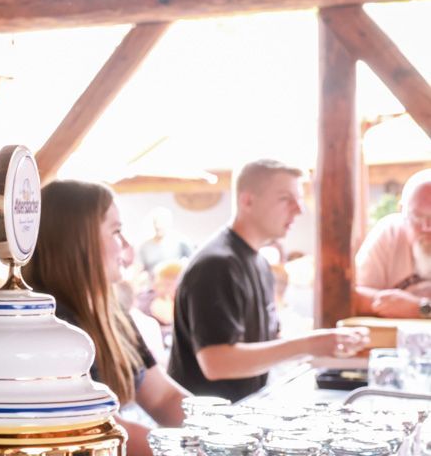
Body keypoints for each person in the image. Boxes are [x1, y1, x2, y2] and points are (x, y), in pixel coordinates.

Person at [167, 159, 368, 401]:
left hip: (245, 409)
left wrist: (327, 343)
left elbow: (264, 343)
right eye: (285, 199)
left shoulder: (259, 263)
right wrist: (308, 345)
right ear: (247, 201)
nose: (299, 209)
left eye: (299, 199)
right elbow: (216, 363)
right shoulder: (217, 264)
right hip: (206, 419)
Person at [27, 180, 189, 456]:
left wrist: (221, 429)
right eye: (116, 231)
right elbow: (104, 430)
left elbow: (163, 397)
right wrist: (197, 453)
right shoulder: (50, 327)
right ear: (79, 242)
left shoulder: (111, 312)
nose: (127, 245)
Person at [354, 169, 431, 318]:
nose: (427, 228)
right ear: (402, 211)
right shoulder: (389, 233)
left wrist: (419, 309)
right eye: (417, 217)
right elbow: (353, 295)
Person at [136, 207, 191, 274]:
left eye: (162, 222)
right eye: (156, 222)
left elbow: (191, 262)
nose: (158, 226)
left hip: (175, 278)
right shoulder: (144, 247)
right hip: (153, 279)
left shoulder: (181, 242)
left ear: (169, 223)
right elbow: (140, 268)